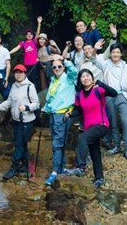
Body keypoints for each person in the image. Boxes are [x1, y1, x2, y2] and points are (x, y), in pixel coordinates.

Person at [64, 69, 117, 188]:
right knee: (94, 152)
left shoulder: (98, 90)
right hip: (89, 127)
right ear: (80, 80)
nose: (85, 78)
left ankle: (80, 167)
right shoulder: (79, 95)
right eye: (83, 77)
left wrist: (101, 83)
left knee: (82, 138)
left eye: (88, 76)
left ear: (92, 79)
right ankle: (99, 178)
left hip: (102, 124)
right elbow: (78, 110)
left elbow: (114, 93)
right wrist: (70, 113)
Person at [0, 64, 40, 179]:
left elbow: (36, 103)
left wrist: (26, 107)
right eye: (16, 72)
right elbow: (9, 101)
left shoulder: (30, 86)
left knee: (19, 144)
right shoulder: (14, 85)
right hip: (16, 120)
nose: (18, 74)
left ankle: (13, 167)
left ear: (25, 74)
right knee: (22, 143)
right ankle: (24, 165)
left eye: (21, 72)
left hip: (26, 121)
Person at [93, 32, 127, 160]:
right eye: (113, 52)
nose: (115, 54)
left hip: (122, 96)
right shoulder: (105, 64)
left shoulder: (126, 67)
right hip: (109, 96)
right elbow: (93, 59)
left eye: (117, 52)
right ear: (110, 54)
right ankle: (116, 145)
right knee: (113, 123)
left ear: (121, 54)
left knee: (126, 122)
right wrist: (95, 49)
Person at [42, 55, 77, 186]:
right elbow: (50, 98)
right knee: (58, 141)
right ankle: (61, 168)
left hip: (62, 115)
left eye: (59, 66)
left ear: (63, 67)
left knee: (57, 143)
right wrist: (44, 110)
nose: (57, 68)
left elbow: (74, 71)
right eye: (54, 67)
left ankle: (55, 171)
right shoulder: (53, 80)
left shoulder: (68, 78)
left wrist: (64, 60)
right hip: (53, 114)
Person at [9, 16, 42, 87]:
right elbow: (17, 48)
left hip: (34, 63)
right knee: (27, 78)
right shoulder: (23, 43)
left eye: (31, 34)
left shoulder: (34, 42)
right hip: (26, 63)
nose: (29, 35)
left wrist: (39, 23)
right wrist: (8, 53)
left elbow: (38, 34)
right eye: (28, 34)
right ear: (26, 36)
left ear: (32, 36)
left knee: (34, 78)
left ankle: (35, 92)